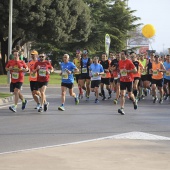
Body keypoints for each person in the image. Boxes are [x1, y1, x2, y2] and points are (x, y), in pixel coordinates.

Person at [118, 51, 138, 115]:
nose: (121, 55)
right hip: (122, 80)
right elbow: (120, 70)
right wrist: (120, 72)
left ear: (126, 55)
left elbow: (135, 70)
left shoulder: (129, 61)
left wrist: (128, 71)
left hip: (129, 80)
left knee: (130, 94)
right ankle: (122, 108)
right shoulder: (120, 62)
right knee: (122, 94)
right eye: (121, 54)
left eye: (123, 54)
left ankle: (134, 101)